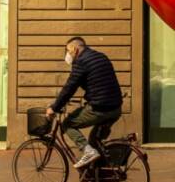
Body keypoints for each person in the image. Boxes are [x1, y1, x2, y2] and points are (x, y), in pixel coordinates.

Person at [46, 37, 123, 168]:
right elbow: (99, 82)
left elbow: (70, 87)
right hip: (116, 108)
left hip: (100, 108)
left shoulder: (81, 62)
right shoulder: (101, 56)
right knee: (94, 140)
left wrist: (54, 107)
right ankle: (95, 176)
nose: (67, 55)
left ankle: (88, 152)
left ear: (75, 50)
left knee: (67, 124)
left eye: (68, 51)